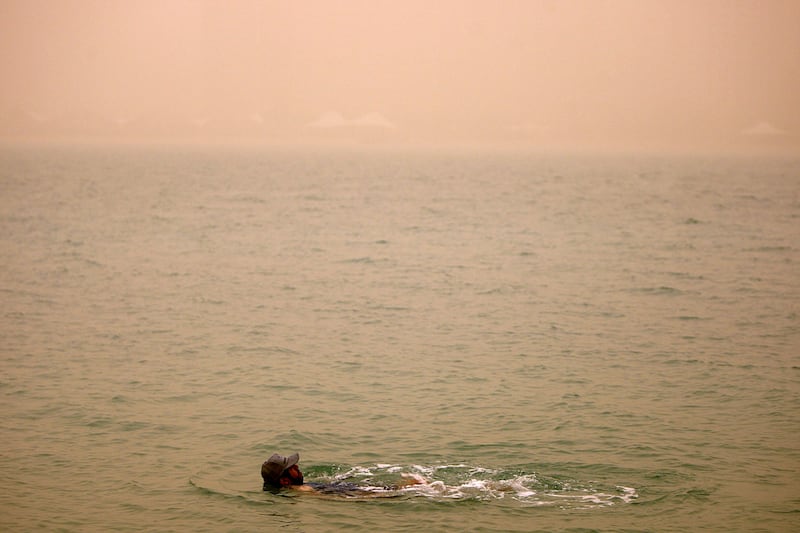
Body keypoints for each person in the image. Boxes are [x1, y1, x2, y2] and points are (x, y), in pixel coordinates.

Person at [261, 453, 422, 495]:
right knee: (393, 490)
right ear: (284, 481)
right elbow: (340, 496)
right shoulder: (304, 491)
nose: (297, 466)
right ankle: (411, 487)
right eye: (293, 467)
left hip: (337, 487)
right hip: (346, 492)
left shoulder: (299, 486)